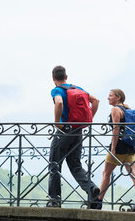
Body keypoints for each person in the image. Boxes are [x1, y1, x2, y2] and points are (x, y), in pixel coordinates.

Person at [47, 65, 100, 208]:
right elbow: (95, 101)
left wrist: (57, 123)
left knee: (54, 164)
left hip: (64, 131)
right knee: (76, 166)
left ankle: (55, 200)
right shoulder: (78, 89)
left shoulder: (57, 90)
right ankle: (92, 190)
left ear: (53, 78)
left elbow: (59, 102)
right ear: (66, 77)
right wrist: (87, 121)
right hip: (78, 131)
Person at [92, 89, 135, 212]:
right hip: (130, 147)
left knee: (106, 173)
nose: (108, 98)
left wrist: (113, 148)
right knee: (134, 175)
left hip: (119, 147)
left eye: (110, 96)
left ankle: (98, 202)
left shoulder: (115, 110)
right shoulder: (127, 110)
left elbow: (116, 129)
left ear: (118, 97)